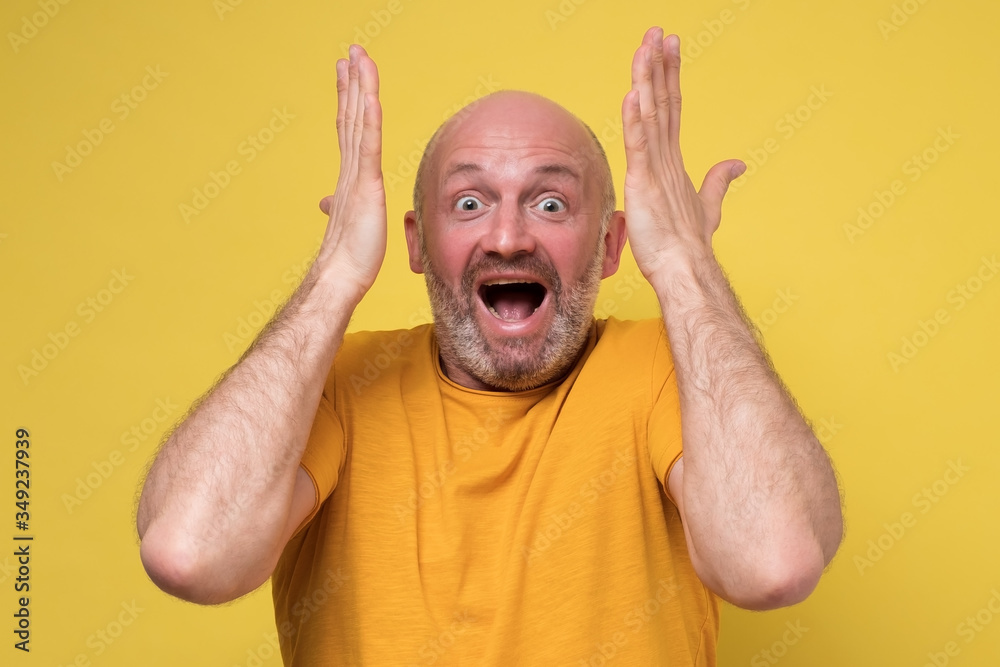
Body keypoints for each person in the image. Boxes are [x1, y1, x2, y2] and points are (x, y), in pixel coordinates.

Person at [136, 27, 843, 666]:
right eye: (469, 204)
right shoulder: (339, 384)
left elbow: (771, 564)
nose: (508, 237)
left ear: (610, 246)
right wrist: (334, 278)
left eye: (551, 203)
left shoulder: (674, 375)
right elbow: (191, 554)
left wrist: (688, 270)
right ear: (416, 244)